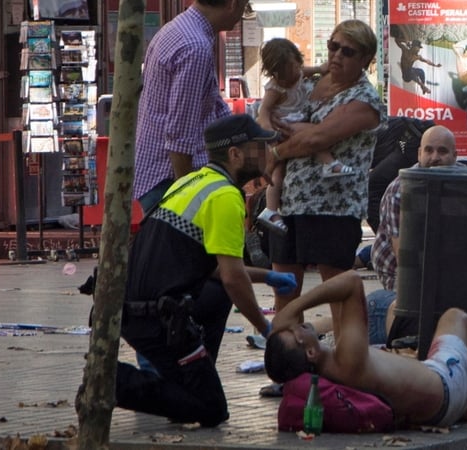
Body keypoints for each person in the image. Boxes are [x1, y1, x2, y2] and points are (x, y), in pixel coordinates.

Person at [115, 114, 297, 427]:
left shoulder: (193, 180)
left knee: (214, 299)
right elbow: (231, 278)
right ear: (235, 154)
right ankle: (114, 381)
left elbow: (207, 265)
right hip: (155, 318)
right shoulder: (225, 196)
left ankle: (193, 373)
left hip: (135, 311)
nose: (269, 154)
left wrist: (266, 276)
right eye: (260, 147)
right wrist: (265, 329)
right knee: (210, 408)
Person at [264, 270, 467, 426]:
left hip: (438, 411)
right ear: (310, 353)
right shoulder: (347, 360)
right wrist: (295, 305)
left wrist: (285, 326)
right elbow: (352, 282)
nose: (299, 324)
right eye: (296, 331)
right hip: (446, 384)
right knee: (455, 317)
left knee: (461, 399)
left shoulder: (331, 370)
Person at [262, 18, 387, 345]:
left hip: (333, 207)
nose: (337, 56)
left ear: (365, 60)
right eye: (333, 46)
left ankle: (350, 367)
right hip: (289, 202)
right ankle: (290, 368)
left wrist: (275, 152)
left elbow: (316, 138)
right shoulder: (310, 80)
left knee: (339, 293)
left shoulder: (365, 99)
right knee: (285, 289)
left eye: (348, 51)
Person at [133, 0, 249, 213]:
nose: (243, 15)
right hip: (169, 178)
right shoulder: (195, 46)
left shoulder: (178, 29)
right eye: (245, 7)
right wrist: (186, 199)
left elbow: (213, 104)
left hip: (160, 174)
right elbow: (180, 134)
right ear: (232, 4)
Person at [368, 125, 461, 345]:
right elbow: (407, 262)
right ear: (418, 154)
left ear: (455, 157)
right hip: (402, 282)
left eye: (442, 151)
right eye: (428, 151)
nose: (434, 157)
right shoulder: (400, 189)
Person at [254, 38, 355, 235]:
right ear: (274, 74)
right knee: (309, 141)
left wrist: (322, 68)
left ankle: (271, 210)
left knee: (281, 168)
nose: (293, 76)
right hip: (284, 128)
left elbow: (314, 70)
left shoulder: (299, 72)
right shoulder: (275, 88)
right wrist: (270, 133)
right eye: (285, 75)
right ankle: (330, 164)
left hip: (295, 122)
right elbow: (263, 113)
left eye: (295, 69)